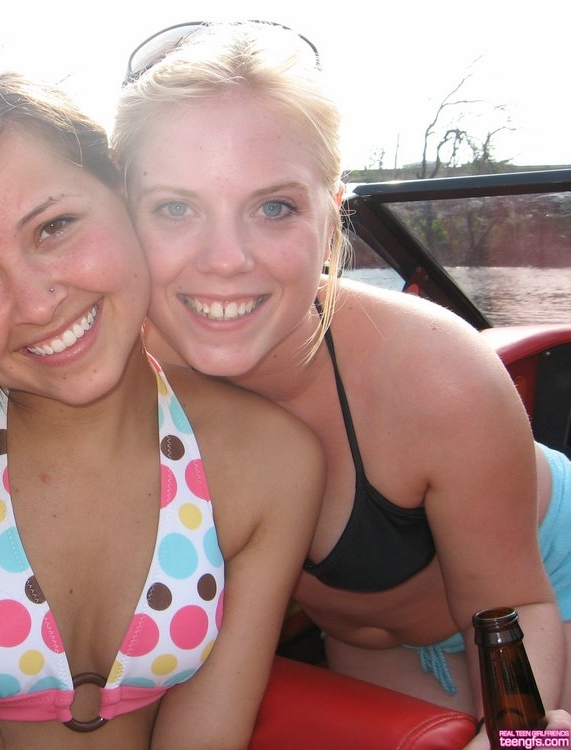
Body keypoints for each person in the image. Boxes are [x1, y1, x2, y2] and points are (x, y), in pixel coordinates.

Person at [112, 18, 571, 732]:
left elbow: (511, 605)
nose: (225, 258)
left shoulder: (437, 375)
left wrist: (518, 740)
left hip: (538, 601)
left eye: (274, 207)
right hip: (366, 648)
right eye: (175, 207)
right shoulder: (112, 381)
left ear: (331, 220)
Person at [0, 66, 325, 749]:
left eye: (53, 228)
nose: (36, 304)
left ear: (125, 196)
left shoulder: (267, 462)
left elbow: (207, 736)